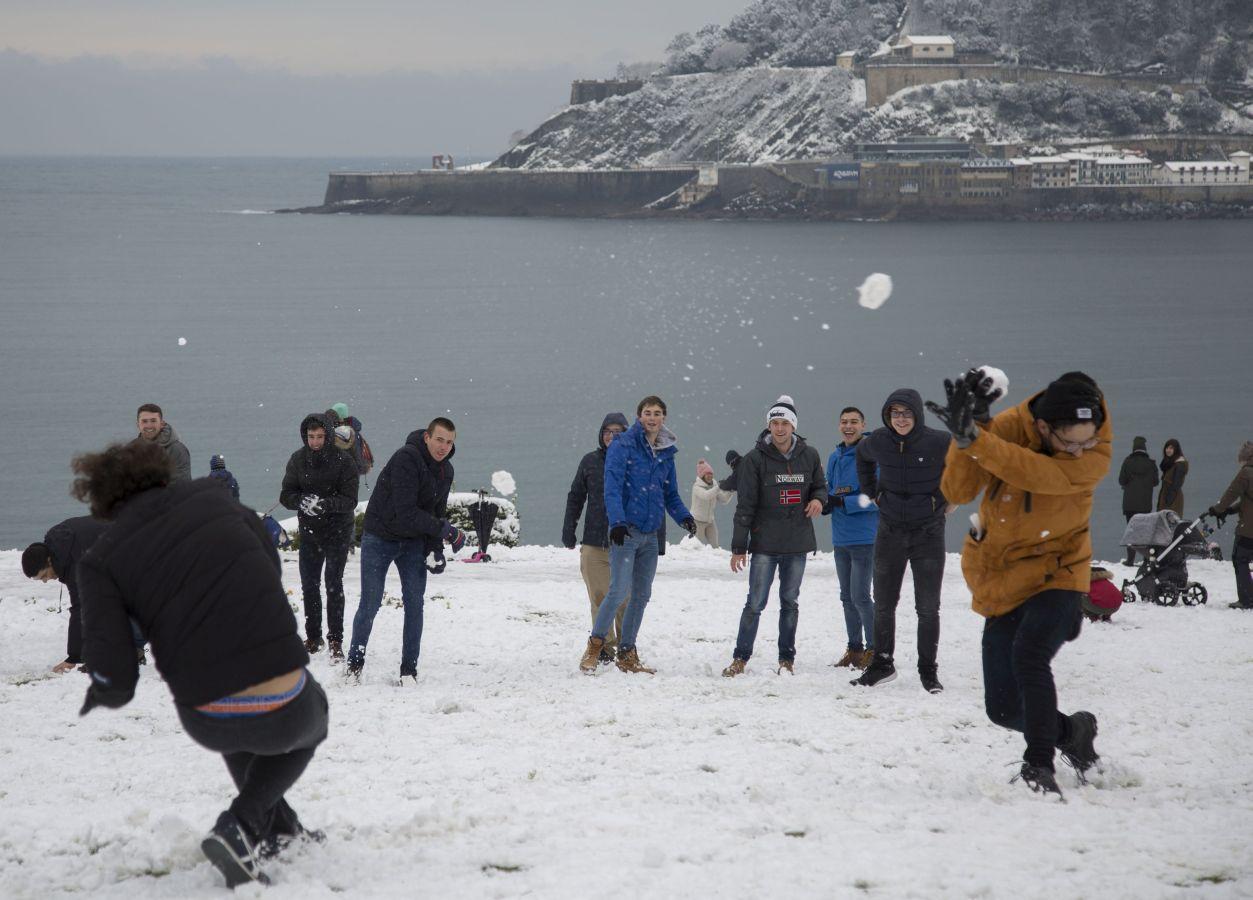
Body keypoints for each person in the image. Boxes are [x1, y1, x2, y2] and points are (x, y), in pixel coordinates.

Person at [71, 440, 326, 887]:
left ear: (102, 498)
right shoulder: (214, 496)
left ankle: (279, 828)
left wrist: (102, 690)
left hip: (206, 716)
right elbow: (269, 561)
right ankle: (242, 824)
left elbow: (116, 674)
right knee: (315, 718)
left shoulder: (100, 559)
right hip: (284, 699)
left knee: (234, 711)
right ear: (159, 470)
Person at [932, 370, 1110, 798]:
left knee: (1030, 654)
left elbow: (1037, 473)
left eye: (1086, 439)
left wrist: (978, 439)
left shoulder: (1094, 447)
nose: (1079, 449)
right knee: (1004, 708)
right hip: (1003, 573)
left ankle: (1039, 766)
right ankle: (1072, 732)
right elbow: (958, 487)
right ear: (1045, 425)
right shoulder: (1009, 427)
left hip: (1060, 570)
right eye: (1071, 441)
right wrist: (966, 437)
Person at [578, 396, 695, 675]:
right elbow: (613, 487)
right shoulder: (624, 445)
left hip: (650, 535)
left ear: (664, 417)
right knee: (618, 590)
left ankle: (627, 653)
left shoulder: (666, 451)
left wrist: (684, 517)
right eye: (647, 413)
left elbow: (670, 494)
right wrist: (617, 521)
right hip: (626, 532)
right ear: (640, 416)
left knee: (641, 595)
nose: (652, 417)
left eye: (657, 413)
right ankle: (595, 646)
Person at [347, 418, 465, 683]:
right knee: (371, 603)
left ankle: (409, 670)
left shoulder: (446, 471)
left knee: (415, 603)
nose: (443, 447)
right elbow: (406, 512)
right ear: (427, 437)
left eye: (449, 442)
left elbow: (437, 511)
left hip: (413, 542)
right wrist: (447, 530)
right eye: (439, 439)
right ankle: (354, 665)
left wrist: (435, 549)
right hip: (380, 536)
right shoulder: (406, 458)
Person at [851, 389, 951, 692]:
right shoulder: (879, 440)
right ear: (887, 416)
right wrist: (872, 492)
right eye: (895, 414)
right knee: (883, 603)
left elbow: (965, 466)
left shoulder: (939, 441)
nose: (901, 419)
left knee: (928, 607)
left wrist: (945, 498)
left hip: (928, 533)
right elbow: (861, 455)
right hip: (890, 530)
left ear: (917, 414)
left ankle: (928, 671)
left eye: (906, 413)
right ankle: (882, 664)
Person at [721, 395, 826, 677]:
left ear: (793, 426)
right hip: (765, 544)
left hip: (797, 543)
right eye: (774, 423)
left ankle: (786, 659)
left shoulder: (810, 455)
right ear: (769, 426)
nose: (779, 429)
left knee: (790, 603)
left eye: (784, 423)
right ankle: (740, 658)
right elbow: (745, 506)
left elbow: (820, 486)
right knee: (755, 603)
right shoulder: (755, 459)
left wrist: (818, 500)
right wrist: (738, 547)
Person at [280, 414, 360, 658]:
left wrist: (325, 505)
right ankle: (313, 637)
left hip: (338, 530)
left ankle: (335, 639)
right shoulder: (298, 459)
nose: (314, 442)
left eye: (319, 437)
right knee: (309, 585)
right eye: (310, 437)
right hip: (310, 532)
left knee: (333, 584)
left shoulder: (344, 461)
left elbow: (350, 500)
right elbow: (286, 495)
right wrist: (302, 501)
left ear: (327, 436)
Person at [562, 412, 630, 664]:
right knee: (599, 597)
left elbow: (651, 500)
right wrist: (569, 528)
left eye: (618, 432)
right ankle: (603, 646)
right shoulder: (590, 461)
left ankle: (626, 646)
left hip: (627, 543)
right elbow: (576, 496)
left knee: (625, 599)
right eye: (607, 432)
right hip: (594, 541)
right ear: (601, 435)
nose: (612, 436)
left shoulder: (634, 461)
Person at [824, 406, 878, 669]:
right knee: (846, 597)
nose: (849, 426)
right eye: (844, 421)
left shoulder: (871, 455)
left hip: (865, 538)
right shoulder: (834, 457)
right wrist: (822, 500)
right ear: (838, 425)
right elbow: (827, 488)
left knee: (861, 596)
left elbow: (878, 498)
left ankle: (875, 649)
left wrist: (842, 501)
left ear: (863, 424)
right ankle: (854, 649)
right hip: (840, 537)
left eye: (854, 422)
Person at [22, 515, 111, 672]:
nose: (45, 580)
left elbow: (80, 608)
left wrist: (73, 657)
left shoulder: (75, 563)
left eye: (44, 575)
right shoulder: (58, 544)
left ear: (49, 561)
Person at [1207, 441, 1253, 610]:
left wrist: (1218, 509)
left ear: (1245, 457)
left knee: (1240, 559)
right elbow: (1247, 501)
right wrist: (1230, 511)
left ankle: (1247, 599)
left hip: (1248, 528)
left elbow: (1231, 493)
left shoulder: (1246, 473)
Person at [1117, 436, 1157, 565]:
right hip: (1145, 504)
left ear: (1134, 447)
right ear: (1144, 448)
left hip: (1130, 504)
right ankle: (1146, 559)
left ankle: (1130, 560)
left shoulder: (1127, 462)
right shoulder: (1151, 463)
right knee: (1145, 530)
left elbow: (1121, 480)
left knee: (1131, 530)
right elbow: (1155, 481)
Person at [134, 403, 191, 483]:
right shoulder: (131, 449)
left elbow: (182, 485)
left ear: (162, 424)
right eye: (144, 421)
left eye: (153, 421)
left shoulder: (177, 450)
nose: (149, 425)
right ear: (138, 425)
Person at [690, 458, 735, 547]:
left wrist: (731, 490)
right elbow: (706, 496)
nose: (710, 476)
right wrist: (719, 487)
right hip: (697, 521)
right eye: (707, 474)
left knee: (715, 547)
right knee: (697, 548)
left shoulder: (714, 485)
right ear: (702, 475)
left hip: (710, 521)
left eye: (711, 473)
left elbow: (724, 500)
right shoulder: (696, 487)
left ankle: (715, 560)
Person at [326, 403, 373, 479]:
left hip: (340, 476)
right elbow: (358, 457)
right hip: (351, 476)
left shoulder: (332, 433)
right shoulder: (355, 433)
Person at [1157, 438, 1187, 516]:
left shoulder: (1179, 465)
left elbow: (1176, 485)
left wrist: (1167, 504)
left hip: (1173, 502)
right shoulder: (1169, 464)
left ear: (1176, 450)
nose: (1168, 450)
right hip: (1166, 500)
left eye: (1171, 448)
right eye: (1167, 448)